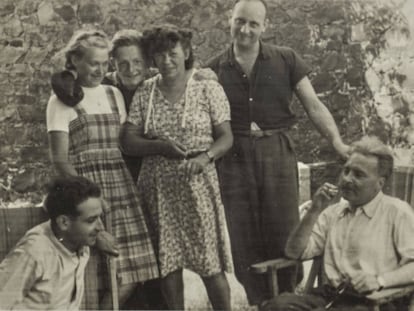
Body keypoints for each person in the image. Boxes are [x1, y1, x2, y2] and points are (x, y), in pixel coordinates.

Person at [206, 0, 351, 304]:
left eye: (253, 24)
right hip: (234, 157)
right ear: (229, 21)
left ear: (265, 26)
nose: (245, 29)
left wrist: (337, 141)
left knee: (282, 225)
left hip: (276, 151)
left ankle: (287, 299)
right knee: (241, 232)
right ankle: (260, 302)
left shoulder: (286, 59)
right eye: (239, 21)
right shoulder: (213, 69)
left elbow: (313, 105)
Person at [120, 24, 234, 311]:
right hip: (157, 186)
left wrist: (204, 158)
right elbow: (128, 141)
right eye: (159, 55)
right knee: (168, 264)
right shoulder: (146, 92)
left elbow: (226, 137)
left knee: (210, 263)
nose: (167, 61)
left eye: (172, 53)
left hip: (198, 183)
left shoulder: (208, 88)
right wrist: (159, 147)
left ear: (186, 52)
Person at [46, 29, 159, 309]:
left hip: (120, 188)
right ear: (75, 61)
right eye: (93, 63)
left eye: (104, 63)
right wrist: (89, 204)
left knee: (135, 266)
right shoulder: (61, 100)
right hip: (83, 190)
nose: (100, 70)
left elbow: (125, 143)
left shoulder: (113, 94)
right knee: (90, 273)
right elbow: (60, 160)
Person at [261, 136, 414, 311]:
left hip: (374, 300)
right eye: (346, 171)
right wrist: (314, 210)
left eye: (358, 175)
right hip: (330, 296)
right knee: (277, 306)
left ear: (380, 183)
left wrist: (380, 280)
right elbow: (294, 252)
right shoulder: (333, 213)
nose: (347, 179)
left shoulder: (397, 212)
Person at [0, 176, 104, 310]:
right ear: (64, 222)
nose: (100, 227)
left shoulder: (78, 242)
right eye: (91, 220)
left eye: (99, 217)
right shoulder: (34, 251)